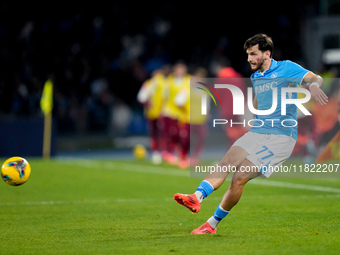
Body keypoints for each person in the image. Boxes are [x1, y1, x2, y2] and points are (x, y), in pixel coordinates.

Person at [173, 34, 328, 234]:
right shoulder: (256, 77)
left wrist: (313, 87)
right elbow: (258, 100)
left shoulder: (286, 68)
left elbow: (316, 78)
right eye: (248, 54)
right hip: (257, 132)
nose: (249, 59)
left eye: (253, 54)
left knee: (239, 177)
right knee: (225, 163)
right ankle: (196, 197)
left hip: (281, 138)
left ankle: (211, 224)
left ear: (267, 54)